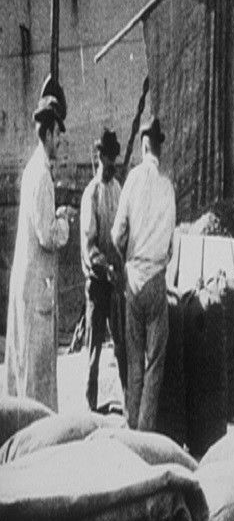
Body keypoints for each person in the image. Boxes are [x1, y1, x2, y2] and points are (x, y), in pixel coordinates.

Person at [4, 95, 70, 411]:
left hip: (28, 284)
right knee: (36, 378)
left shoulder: (33, 170)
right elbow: (47, 234)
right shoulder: (42, 175)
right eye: (57, 134)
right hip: (36, 291)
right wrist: (64, 222)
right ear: (48, 133)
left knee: (23, 370)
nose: (60, 141)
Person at [111, 117, 176, 431]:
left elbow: (117, 233)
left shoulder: (132, 180)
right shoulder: (167, 186)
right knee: (155, 362)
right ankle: (146, 429)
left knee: (134, 360)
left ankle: (131, 426)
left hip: (133, 279)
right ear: (159, 147)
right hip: (156, 280)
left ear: (142, 145)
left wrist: (127, 259)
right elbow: (172, 245)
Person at [80, 129, 127, 412]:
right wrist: (105, 267)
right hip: (97, 283)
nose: (111, 165)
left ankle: (129, 404)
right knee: (94, 349)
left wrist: (121, 264)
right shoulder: (91, 194)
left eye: (114, 160)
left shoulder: (118, 189)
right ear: (99, 158)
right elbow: (89, 245)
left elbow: (121, 233)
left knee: (121, 345)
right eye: (107, 160)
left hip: (114, 282)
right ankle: (90, 407)